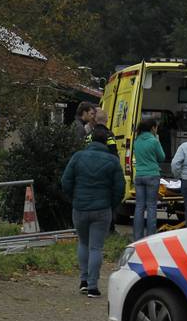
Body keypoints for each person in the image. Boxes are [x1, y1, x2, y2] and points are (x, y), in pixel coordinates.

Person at [61, 126, 125, 298]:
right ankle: (93, 286)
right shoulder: (112, 161)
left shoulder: (78, 157)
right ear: (106, 141)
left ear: (90, 140)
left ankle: (83, 280)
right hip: (102, 209)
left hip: (80, 207)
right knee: (96, 247)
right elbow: (120, 188)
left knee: (83, 243)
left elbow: (65, 181)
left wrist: (74, 198)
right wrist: (111, 204)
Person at [133, 118, 165, 240]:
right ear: (152, 128)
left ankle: (137, 237)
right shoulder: (154, 141)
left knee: (139, 206)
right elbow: (162, 157)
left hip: (139, 175)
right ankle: (150, 237)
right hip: (152, 175)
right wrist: (157, 140)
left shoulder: (137, 140)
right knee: (151, 206)